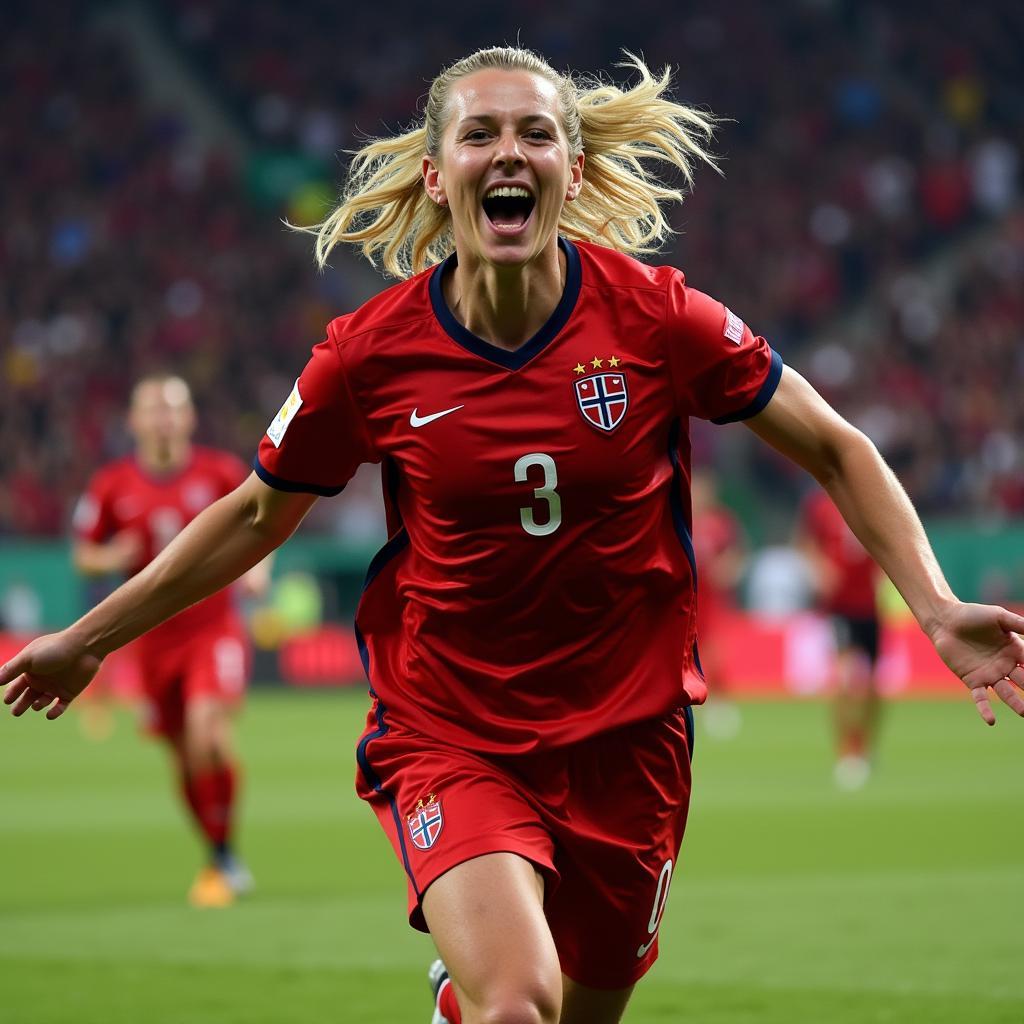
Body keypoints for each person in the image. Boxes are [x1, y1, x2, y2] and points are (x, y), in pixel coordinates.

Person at [3, 47, 1024, 1024]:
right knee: (515, 1001)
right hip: (452, 728)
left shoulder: (658, 320)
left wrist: (933, 607)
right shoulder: (367, 357)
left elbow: (839, 448)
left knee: (574, 1010)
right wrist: (89, 636)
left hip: (634, 738)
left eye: (535, 134)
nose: (507, 153)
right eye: (479, 133)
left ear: (570, 171)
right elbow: (255, 512)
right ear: (435, 172)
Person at [71, 374, 267, 907]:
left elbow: (264, 520)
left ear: (189, 418)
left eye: (173, 409)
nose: (164, 419)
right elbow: (83, 552)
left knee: (208, 732)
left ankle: (225, 852)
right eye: (153, 410)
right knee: (183, 755)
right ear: (134, 422)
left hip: (213, 626)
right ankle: (218, 849)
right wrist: (115, 556)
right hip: (153, 634)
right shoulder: (112, 484)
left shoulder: (220, 471)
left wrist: (259, 570)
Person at [798, 486, 883, 788]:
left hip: (869, 606)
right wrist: (819, 568)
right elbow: (806, 542)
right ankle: (847, 751)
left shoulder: (870, 498)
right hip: (839, 608)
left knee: (874, 686)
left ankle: (867, 745)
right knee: (846, 679)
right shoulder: (820, 506)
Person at [690, 467, 746, 738]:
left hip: (712, 599)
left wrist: (727, 569)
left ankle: (720, 703)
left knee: (713, 651)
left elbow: (736, 554)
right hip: (685, 597)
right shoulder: (680, 516)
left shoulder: (720, 523)